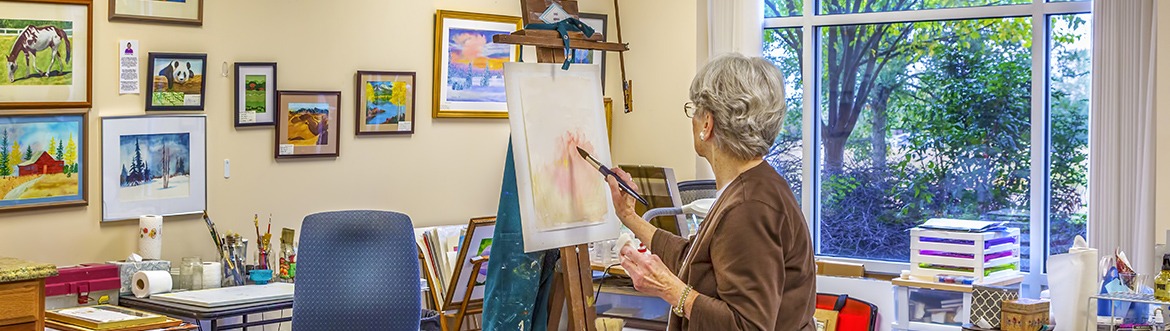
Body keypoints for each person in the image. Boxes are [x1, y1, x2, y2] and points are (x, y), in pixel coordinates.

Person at [607, 53, 815, 330]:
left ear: (707, 124)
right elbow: (694, 260)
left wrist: (671, 290)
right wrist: (630, 217)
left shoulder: (749, 206)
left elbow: (747, 326)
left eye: (694, 110)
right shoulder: (752, 185)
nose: (691, 120)